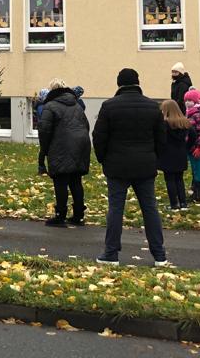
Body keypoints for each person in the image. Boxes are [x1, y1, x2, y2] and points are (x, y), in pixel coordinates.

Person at [92, 68, 168, 267]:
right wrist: (155, 159)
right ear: (138, 82)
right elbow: (162, 139)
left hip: (117, 165)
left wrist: (103, 159)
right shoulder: (153, 107)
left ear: (119, 84)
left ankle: (111, 253)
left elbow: (99, 136)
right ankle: (159, 255)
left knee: (116, 209)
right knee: (150, 209)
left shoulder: (109, 106)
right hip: (145, 165)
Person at [37, 78, 91, 227]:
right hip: (80, 146)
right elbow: (86, 125)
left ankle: (60, 215)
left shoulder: (50, 106)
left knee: (60, 181)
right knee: (76, 181)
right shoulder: (77, 105)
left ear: (52, 90)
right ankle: (78, 215)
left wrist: (44, 152)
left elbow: (44, 131)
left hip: (60, 147)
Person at [158, 99, 197, 212]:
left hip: (167, 154)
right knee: (179, 179)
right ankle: (183, 203)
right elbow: (194, 136)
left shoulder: (164, 124)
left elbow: (161, 139)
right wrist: (186, 147)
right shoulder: (185, 122)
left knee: (169, 179)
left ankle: (174, 204)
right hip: (181, 153)